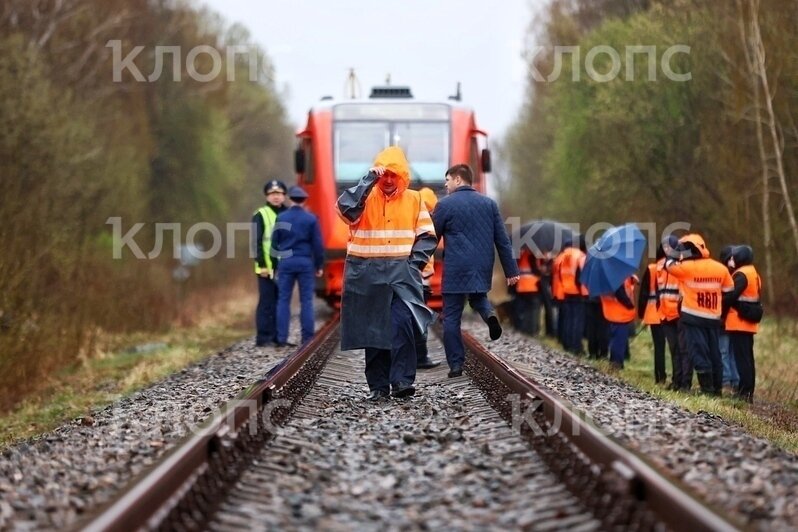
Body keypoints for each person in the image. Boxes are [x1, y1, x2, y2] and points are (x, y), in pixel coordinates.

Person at [336, 147, 437, 400]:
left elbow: (427, 236)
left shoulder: (414, 199)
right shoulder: (364, 197)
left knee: (402, 325)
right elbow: (344, 209)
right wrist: (367, 180)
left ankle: (402, 381)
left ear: (402, 176)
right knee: (374, 331)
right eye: (385, 175)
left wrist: (414, 264)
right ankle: (378, 387)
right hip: (366, 273)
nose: (389, 179)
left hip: (402, 273)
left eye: (394, 175)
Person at [431, 164, 520, 378]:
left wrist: (415, 263)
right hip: (482, 265)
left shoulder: (444, 205)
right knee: (478, 296)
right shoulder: (489, 204)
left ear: (459, 180)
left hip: (456, 266)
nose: (445, 184)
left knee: (451, 316)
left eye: (448, 180)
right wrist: (511, 271)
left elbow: (431, 237)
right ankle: (489, 315)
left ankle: (456, 365)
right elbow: (502, 240)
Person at [665, 234, 734, 395]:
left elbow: (669, 264)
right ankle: (717, 389)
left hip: (692, 318)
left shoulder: (686, 269)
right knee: (714, 353)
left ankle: (707, 390)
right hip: (713, 318)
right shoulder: (720, 268)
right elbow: (729, 291)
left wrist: (675, 252)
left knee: (698, 352)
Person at [271, 185, 324, 347]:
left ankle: (281, 338)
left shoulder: (281, 218)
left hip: (286, 262)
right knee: (306, 300)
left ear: (290, 199)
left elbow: (274, 243)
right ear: (304, 200)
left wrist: (275, 266)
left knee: (283, 300)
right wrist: (319, 265)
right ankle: (307, 339)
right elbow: (318, 245)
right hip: (305, 262)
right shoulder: (311, 219)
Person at [724, 245, 762, 403]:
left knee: (742, 359)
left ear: (740, 257)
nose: (731, 260)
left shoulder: (741, 274)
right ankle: (746, 391)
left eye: (734, 257)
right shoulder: (754, 273)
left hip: (739, 322)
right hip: (748, 322)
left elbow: (730, 296)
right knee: (747, 359)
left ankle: (744, 393)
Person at [253, 179, 287, 347]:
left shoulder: (288, 213)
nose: (276, 197)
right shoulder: (260, 214)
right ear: (267, 196)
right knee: (267, 303)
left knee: (280, 303)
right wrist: (263, 265)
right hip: (266, 267)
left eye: (279, 193)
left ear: (284, 196)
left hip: (284, 267)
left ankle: (278, 337)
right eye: (272, 194)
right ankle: (264, 337)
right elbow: (256, 242)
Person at [414, 187, 442, 369]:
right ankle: (421, 358)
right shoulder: (426, 224)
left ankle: (410, 357)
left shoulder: (410, 217)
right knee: (419, 321)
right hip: (420, 280)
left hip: (411, 279)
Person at [638, 247, 666, 383]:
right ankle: (678, 378)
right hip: (672, 314)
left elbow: (644, 294)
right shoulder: (676, 268)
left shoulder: (651, 269)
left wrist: (641, 314)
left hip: (654, 313)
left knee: (659, 348)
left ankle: (660, 377)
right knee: (676, 348)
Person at [557, 237, 588, 355]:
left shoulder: (563, 255)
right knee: (577, 320)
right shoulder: (580, 256)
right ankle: (576, 347)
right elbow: (580, 276)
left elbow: (560, 273)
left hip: (566, 290)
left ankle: (567, 344)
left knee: (568, 319)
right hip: (577, 292)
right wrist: (582, 291)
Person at [601, 275, 638, 369]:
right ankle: (617, 363)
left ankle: (614, 361)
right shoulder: (618, 276)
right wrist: (630, 305)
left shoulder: (607, 276)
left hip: (611, 311)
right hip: (621, 312)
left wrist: (631, 281)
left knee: (615, 339)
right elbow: (620, 293)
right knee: (619, 341)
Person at [718, 245, 740, 392]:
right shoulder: (727, 274)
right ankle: (731, 381)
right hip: (726, 320)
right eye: (730, 258)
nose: (733, 261)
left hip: (729, 320)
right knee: (727, 351)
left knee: (726, 352)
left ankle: (729, 381)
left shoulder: (736, 275)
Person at [513, 248, 542, 335]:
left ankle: (522, 328)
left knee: (523, 309)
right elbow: (535, 271)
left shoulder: (520, 255)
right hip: (532, 287)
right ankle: (531, 330)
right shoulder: (532, 256)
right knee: (532, 310)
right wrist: (541, 272)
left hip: (521, 287)